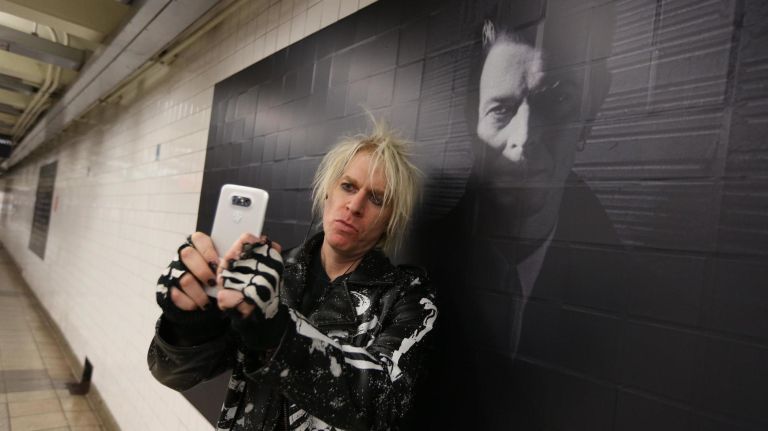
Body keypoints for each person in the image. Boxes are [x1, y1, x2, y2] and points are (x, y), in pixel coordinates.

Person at [148, 121, 437, 431]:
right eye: (348, 186)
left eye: (377, 199)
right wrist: (189, 326)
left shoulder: (407, 297)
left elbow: (382, 402)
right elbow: (173, 374)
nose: (354, 206)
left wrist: (277, 332)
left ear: (390, 221)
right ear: (328, 191)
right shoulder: (271, 275)